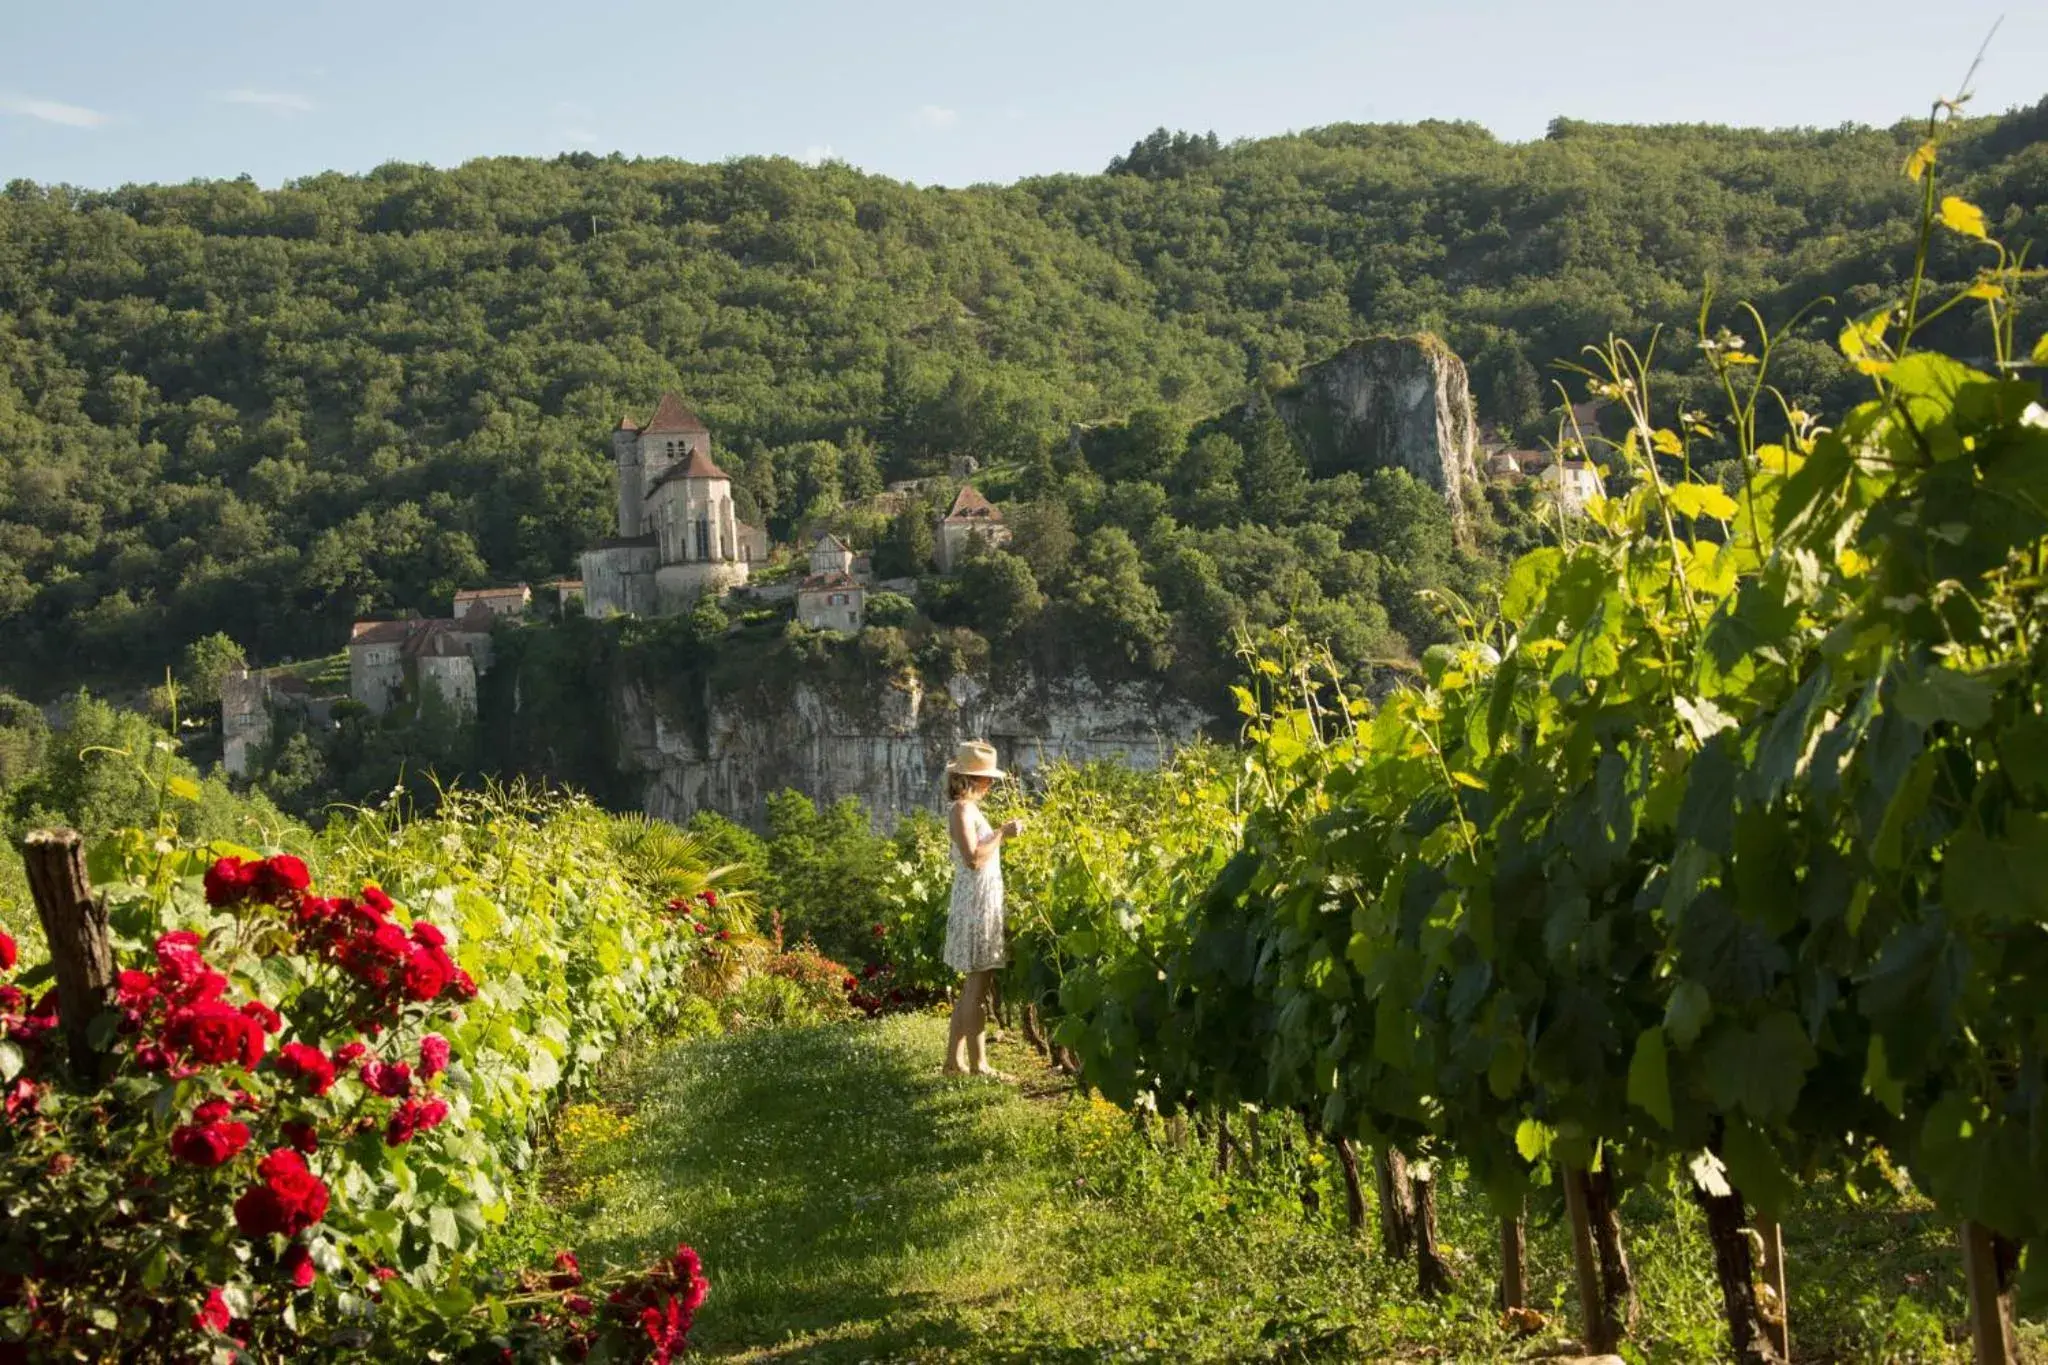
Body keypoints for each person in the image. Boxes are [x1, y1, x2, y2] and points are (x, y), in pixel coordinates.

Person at [941, 739, 1024, 1078]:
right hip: (976, 904)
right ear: (974, 779)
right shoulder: (962, 809)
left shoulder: (969, 809)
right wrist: (1003, 833)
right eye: (988, 777)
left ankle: (953, 1062)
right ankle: (979, 1065)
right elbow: (973, 858)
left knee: (972, 987)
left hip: (978, 901)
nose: (991, 783)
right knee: (977, 988)